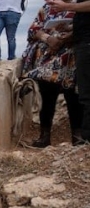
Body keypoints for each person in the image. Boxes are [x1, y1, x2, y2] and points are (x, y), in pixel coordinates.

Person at [21, 1, 81, 147]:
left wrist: (65, 38)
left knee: (73, 95)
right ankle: (44, 136)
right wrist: (48, 39)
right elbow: (34, 29)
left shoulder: (79, 6)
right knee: (47, 96)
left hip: (69, 58)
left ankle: (77, 136)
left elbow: (83, 29)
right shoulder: (47, 7)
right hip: (47, 57)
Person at [46, 0, 90, 144]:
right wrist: (70, 28)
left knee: (87, 94)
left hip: (87, 44)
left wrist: (66, 7)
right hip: (82, 41)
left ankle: (87, 140)